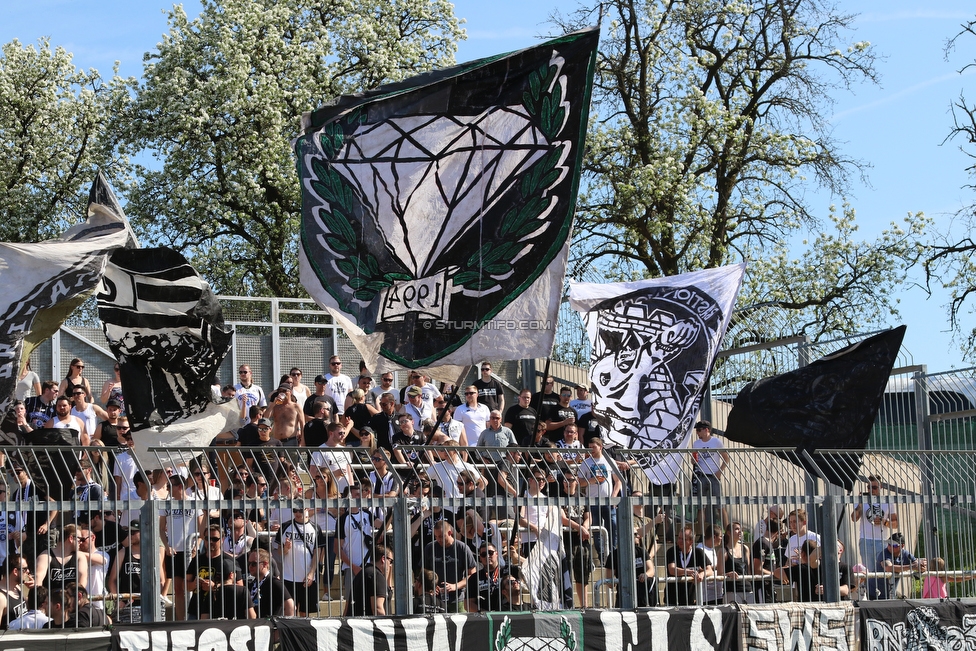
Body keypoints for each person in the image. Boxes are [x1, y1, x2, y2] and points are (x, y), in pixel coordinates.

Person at [577, 437, 620, 561]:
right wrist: (592, 480)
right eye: (589, 447)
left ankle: (612, 554)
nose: (591, 450)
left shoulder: (609, 461)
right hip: (592, 500)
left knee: (613, 526)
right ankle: (602, 555)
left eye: (593, 447)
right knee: (596, 529)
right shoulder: (586, 463)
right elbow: (579, 483)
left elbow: (618, 481)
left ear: (600, 447)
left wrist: (614, 495)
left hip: (608, 500)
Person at [276, 504, 322, 617]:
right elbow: (279, 552)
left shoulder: (315, 528)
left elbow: (318, 552)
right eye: (295, 510)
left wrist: (311, 573)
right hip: (289, 576)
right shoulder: (285, 527)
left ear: (307, 509)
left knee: (305, 612)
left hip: (307, 576)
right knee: (290, 610)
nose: (297, 513)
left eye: (300, 510)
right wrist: (285, 548)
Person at [423, 521, 477, 613]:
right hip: (435, 599)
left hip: (457, 600)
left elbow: (473, 575)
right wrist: (431, 585)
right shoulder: (430, 547)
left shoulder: (462, 548)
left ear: (449, 533)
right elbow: (423, 571)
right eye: (436, 536)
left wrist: (455, 586)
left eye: (441, 536)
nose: (438, 539)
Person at [691, 421, 729, 531]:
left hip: (714, 476)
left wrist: (719, 471)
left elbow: (726, 458)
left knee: (720, 506)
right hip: (701, 475)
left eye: (699, 430)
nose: (697, 433)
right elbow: (694, 459)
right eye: (697, 430)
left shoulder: (716, 442)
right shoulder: (696, 443)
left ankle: (727, 532)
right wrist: (693, 460)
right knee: (700, 506)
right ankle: (702, 533)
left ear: (706, 429)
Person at [852, 475, 894, 569]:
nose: (871, 490)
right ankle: (869, 584)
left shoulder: (887, 502)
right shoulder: (862, 500)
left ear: (881, 487)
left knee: (883, 570)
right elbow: (854, 518)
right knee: (868, 571)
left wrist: (884, 522)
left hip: (881, 540)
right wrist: (859, 505)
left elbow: (895, 524)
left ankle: (883, 584)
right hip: (866, 540)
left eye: (874, 487)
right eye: (869, 487)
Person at [665, 524, 712, 606]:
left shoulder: (698, 552)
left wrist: (702, 574)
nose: (679, 541)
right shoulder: (672, 551)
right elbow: (672, 570)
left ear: (691, 541)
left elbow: (709, 570)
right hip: (673, 598)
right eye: (679, 538)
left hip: (691, 598)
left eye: (683, 539)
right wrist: (688, 572)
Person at [875, 532, 927, 600]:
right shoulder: (884, 553)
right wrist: (912, 567)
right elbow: (889, 568)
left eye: (894, 545)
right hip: (874, 592)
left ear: (902, 546)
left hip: (889, 593)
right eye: (889, 544)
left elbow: (917, 564)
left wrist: (922, 567)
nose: (890, 547)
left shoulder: (905, 554)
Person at [346, 545, 393, 616]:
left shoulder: (361, 574)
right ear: (383, 559)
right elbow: (377, 609)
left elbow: (347, 607)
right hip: (371, 625)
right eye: (390, 561)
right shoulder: (377, 576)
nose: (390, 565)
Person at [247, 548, 295, 618]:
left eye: (254, 563)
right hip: (256, 626)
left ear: (265, 564)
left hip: (271, 626)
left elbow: (290, 605)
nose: (250, 566)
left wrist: (283, 626)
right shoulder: (252, 584)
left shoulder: (274, 583)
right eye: (249, 563)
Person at [723, 521, 755, 603]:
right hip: (732, 590)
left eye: (741, 529)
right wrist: (728, 574)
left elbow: (749, 570)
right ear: (729, 533)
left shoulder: (745, 548)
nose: (740, 531)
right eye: (737, 529)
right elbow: (719, 574)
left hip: (748, 589)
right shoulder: (723, 551)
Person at [0, 554, 33, 629]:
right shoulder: (1, 598)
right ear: (15, 571)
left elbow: (28, 608)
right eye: (25, 569)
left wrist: (34, 591)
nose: (28, 571)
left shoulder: (17, 588)